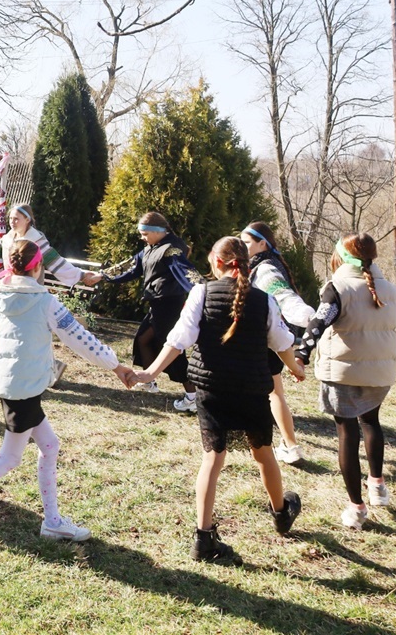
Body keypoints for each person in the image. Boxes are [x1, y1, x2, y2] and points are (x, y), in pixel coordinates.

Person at [0, 239, 135, 542]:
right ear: (38, 268)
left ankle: (52, 521)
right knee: (9, 457)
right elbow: (80, 338)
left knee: (49, 446)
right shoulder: (46, 302)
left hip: (12, 385)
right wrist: (116, 366)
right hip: (24, 388)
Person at [135, 236, 305, 564]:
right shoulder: (264, 300)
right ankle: (281, 513)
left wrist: (150, 372)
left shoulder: (200, 293)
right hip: (252, 390)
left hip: (211, 390)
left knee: (212, 459)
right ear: (246, 265)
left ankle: (203, 538)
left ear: (216, 262)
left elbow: (178, 340)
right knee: (264, 454)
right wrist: (296, 368)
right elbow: (282, 342)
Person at [296, 233, 396, 531]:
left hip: (343, 372)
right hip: (380, 372)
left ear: (341, 257)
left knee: (347, 433)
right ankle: (377, 485)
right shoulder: (391, 289)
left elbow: (318, 323)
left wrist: (301, 355)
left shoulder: (338, 288)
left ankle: (356, 508)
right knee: (371, 422)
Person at [0, 203, 100, 384]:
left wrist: (81, 275)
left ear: (28, 220)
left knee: (35, 333)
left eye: (16, 219)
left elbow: (56, 263)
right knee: (18, 333)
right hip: (11, 291)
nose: (12, 222)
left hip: (31, 294)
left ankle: (49, 369)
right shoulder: (7, 239)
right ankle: (33, 369)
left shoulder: (37, 241)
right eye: (10, 218)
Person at [100, 212, 202, 412]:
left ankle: (193, 397)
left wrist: (206, 291)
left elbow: (186, 272)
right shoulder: (150, 248)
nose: (142, 238)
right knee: (143, 340)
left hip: (169, 305)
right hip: (157, 305)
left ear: (158, 231)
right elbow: (131, 266)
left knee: (173, 350)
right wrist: (103, 276)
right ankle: (148, 382)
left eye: (145, 234)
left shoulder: (171, 250)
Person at [240, 222, 316, 465]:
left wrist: (308, 316)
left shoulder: (266, 269)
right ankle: (287, 445)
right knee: (272, 393)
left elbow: (283, 295)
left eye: (247, 242)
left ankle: (288, 446)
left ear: (262, 243)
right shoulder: (256, 265)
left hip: (267, 340)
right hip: (268, 337)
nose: (242, 246)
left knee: (273, 393)